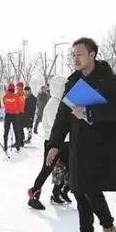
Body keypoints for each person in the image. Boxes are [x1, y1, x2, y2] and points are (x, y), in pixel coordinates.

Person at [46, 38, 116, 232]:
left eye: (80, 54)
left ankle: (109, 230)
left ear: (92, 55)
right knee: (78, 188)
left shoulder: (109, 81)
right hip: (78, 142)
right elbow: (63, 116)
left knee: (90, 187)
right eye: (73, 55)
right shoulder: (73, 82)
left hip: (101, 143)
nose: (76, 58)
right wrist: (54, 144)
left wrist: (91, 113)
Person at [27, 78, 71, 209]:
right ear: (57, 88)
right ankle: (34, 196)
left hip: (66, 142)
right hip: (53, 142)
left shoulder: (62, 102)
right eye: (63, 87)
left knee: (69, 168)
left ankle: (57, 193)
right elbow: (58, 127)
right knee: (46, 169)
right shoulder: (52, 104)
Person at [1, 84, 24, 151]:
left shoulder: (5, 97)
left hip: (8, 115)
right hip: (15, 115)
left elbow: (4, 104)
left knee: (6, 131)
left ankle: (5, 146)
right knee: (16, 131)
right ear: (13, 89)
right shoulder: (16, 96)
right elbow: (19, 105)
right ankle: (17, 146)